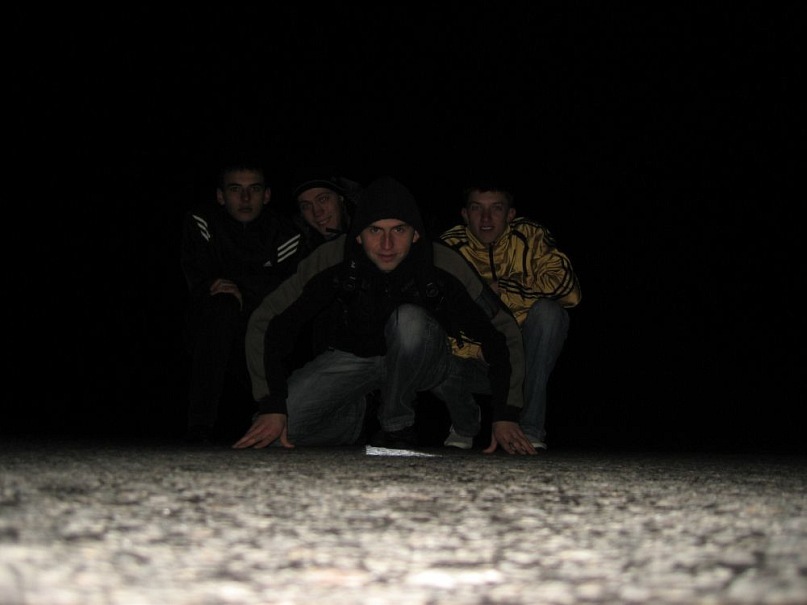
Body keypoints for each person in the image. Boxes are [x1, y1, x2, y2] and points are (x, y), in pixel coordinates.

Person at [233, 175, 537, 454]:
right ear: (358, 236)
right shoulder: (332, 258)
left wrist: (505, 415)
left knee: (409, 321)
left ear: (415, 234)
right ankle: (351, 423)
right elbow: (268, 319)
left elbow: (502, 330)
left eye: (399, 230)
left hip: (424, 355)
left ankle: (397, 426)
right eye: (375, 230)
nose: (387, 244)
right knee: (275, 431)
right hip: (357, 358)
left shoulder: (444, 264)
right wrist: (271, 405)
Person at [440, 181, 581, 450]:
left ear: (510, 214)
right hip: (474, 356)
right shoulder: (449, 246)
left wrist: (503, 291)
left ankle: (528, 427)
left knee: (550, 314)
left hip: (522, 358)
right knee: (425, 343)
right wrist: (475, 347)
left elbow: (569, 291)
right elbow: (438, 313)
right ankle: (464, 421)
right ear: (465, 214)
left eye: (496, 208)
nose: (486, 218)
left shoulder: (531, 236)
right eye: (477, 208)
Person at [179, 158, 306, 444]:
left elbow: (283, 291)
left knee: (260, 322)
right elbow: (197, 275)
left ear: (267, 195)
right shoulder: (202, 221)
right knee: (221, 306)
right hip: (209, 328)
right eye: (236, 189)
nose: (246, 198)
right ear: (221, 196)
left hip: (263, 329)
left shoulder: (286, 234)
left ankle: (264, 418)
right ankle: (199, 426)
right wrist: (214, 285)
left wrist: (238, 286)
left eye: (254, 189)